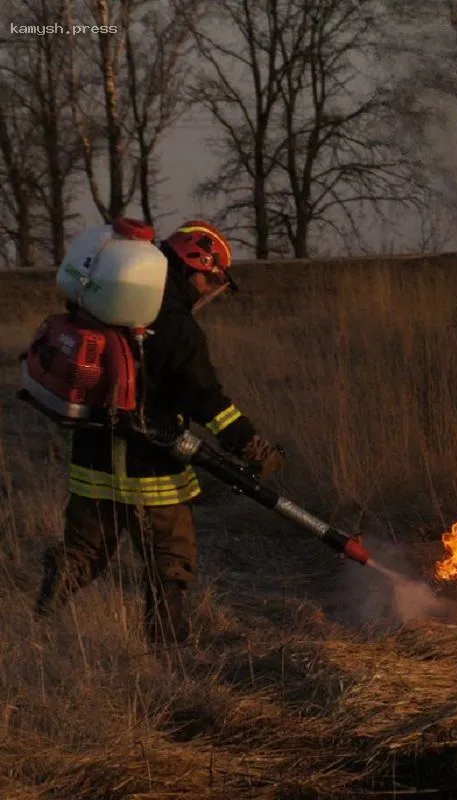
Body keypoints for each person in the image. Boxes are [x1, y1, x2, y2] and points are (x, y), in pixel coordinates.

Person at [34, 220, 286, 645]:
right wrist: (251, 445)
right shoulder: (177, 326)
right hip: (153, 468)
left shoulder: (106, 302)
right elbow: (206, 399)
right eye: (211, 279)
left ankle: (38, 629)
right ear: (193, 265)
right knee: (171, 562)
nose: (209, 290)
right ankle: (167, 653)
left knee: (82, 554)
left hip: (92, 460)